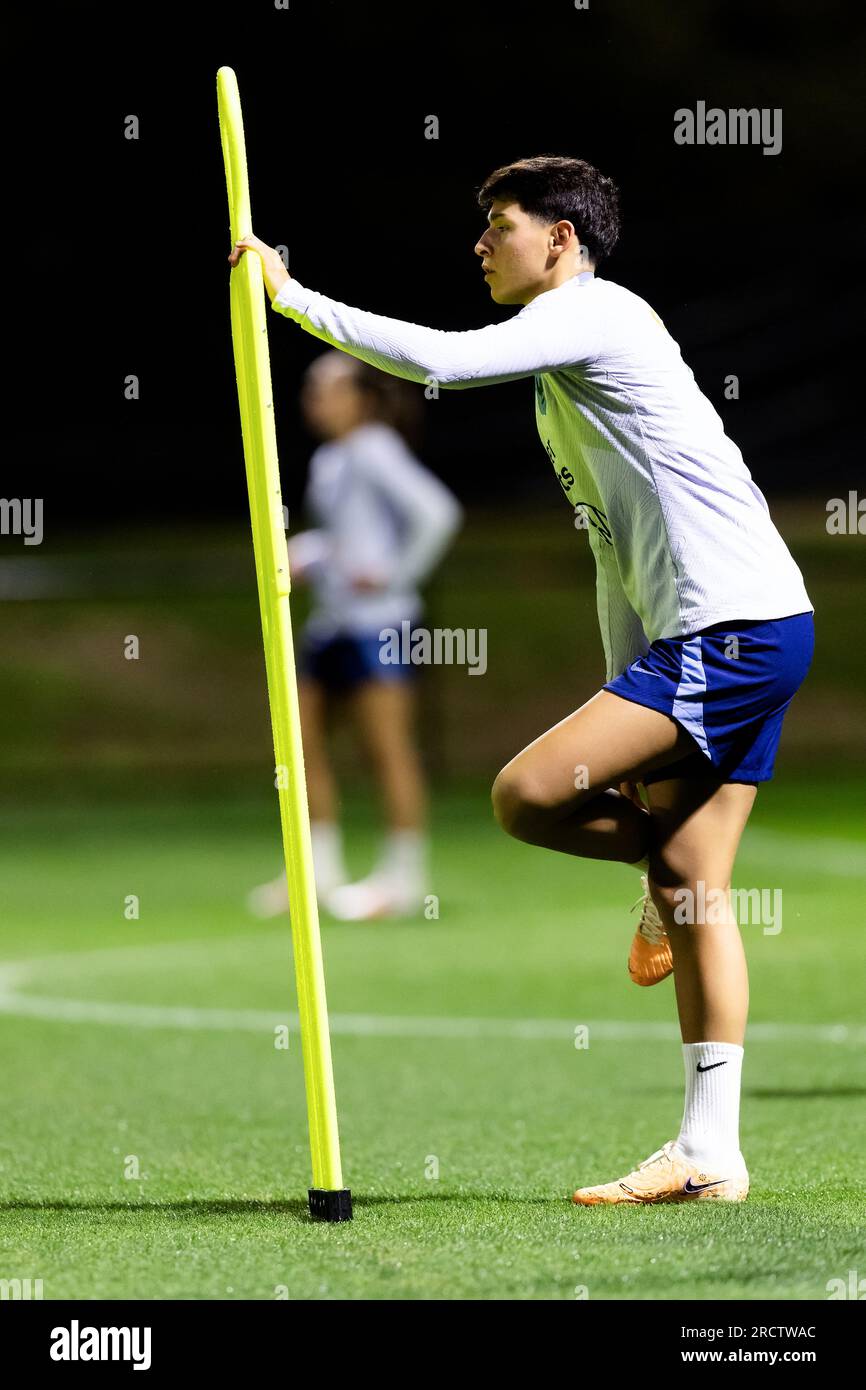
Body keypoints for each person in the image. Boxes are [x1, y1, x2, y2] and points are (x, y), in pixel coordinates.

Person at [228, 153, 814, 1204]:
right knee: (694, 883)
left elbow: (441, 361)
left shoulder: (597, 315)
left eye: (497, 224)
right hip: (737, 629)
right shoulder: (562, 382)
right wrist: (616, 689)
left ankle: (654, 884)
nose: (479, 244)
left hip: (729, 630)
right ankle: (707, 1152)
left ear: (561, 239)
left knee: (525, 794)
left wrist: (290, 297)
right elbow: (609, 550)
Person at [248, 349, 462, 922]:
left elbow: (437, 512)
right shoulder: (332, 459)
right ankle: (318, 870)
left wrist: (394, 573)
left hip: (380, 625)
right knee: (300, 740)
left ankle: (404, 875)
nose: (312, 400)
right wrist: (311, 554)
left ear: (361, 398)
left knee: (385, 747)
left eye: (326, 389)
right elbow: (346, 537)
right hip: (334, 622)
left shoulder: (373, 449)